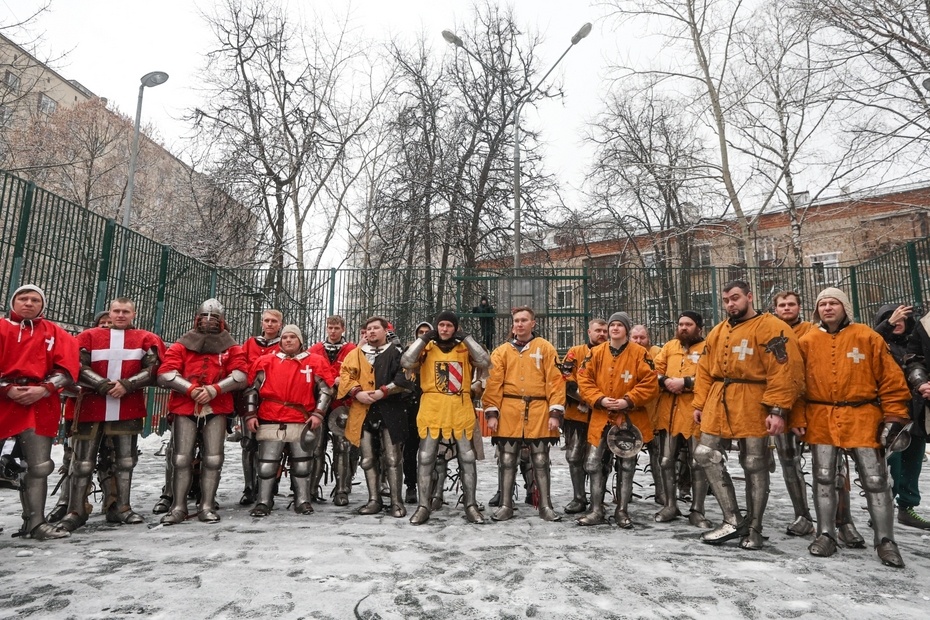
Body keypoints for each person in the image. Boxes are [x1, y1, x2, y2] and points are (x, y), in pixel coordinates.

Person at [793, 288, 910, 567]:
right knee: (823, 478)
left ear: (845, 306)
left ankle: (885, 540)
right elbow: (796, 385)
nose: (828, 308)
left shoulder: (867, 336)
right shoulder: (807, 341)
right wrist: (797, 417)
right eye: (822, 304)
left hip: (863, 416)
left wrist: (894, 415)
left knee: (876, 480)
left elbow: (891, 379)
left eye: (833, 303)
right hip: (821, 415)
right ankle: (825, 533)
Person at [691, 280, 803, 550]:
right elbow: (705, 370)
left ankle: (755, 526)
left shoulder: (772, 327)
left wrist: (777, 409)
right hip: (718, 399)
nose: (731, 304)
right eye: (727, 299)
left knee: (754, 462)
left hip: (755, 400)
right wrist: (699, 403)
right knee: (704, 453)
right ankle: (732, 519)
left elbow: (784, 370)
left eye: (736, 298)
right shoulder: (717, 332)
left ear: (749, 297)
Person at [55, 297, 165, 532]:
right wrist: (102, 384)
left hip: (128, 403)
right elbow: (77, 364)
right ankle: (76, 510)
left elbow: (154, 368)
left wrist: (127, 384)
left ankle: (121, 507)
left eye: (126, 311)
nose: (120, 315)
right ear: (110, 312)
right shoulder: (88, 337)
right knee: (82, 462)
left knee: (125, 461)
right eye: (116, 311)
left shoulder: (145, 339)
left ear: (133, 314)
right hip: (91, 404)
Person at [157, 298, 248, 524]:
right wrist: (191, 389)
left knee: (214, 458)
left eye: (214, 317)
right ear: (197, 319)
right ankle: (178, 506)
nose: (208, 321)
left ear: (222, 321)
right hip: (186, 405)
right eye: (205, 317)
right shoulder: (182, 344)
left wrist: (216, 389)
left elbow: (240, 374)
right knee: (180, 458)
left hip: (216, 406)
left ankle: (207, 504)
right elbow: (166, 372)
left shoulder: (231, 347)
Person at [0, 284, 79, 540]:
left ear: (42, 305)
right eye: (23, 298)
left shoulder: (55, 333)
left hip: (40, 402)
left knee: (39, 466)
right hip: (2, 400)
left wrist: (45, 388)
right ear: (14, 302)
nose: (29, 303)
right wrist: (6, 388)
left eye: (35, 299)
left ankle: (35, 523)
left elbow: (66, 368)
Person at [401, 311, 491, 525]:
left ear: (455, 328)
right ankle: (424, 505)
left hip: (459, 406)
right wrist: (423, 338)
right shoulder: (427, 348)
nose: (444, 329)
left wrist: (467, 338)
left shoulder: (463, 347)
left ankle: (470, 504)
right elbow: (406, 361)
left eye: (449, 325)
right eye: (441, 325)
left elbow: (484, 361)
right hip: (432, 406)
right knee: (425, 457)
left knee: (467, 458)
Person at [483, 306, 565, 522]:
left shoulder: (545, 348)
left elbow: (555, 383)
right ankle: (505, 505)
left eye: (524, 320)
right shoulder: (501, 352)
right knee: (507, 459)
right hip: (509, 410)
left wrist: (555, 413)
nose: (519, 324)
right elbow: (493, 384)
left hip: (538, 410)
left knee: (540, 459)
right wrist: (492, 412)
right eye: (516, 320)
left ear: (533, 323)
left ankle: (545, 505)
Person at [576, 312, 658, 527]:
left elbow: (650, 382)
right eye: (612, 325)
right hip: (601, 416)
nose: (614, 329)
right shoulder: (595, 353)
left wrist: (628, 400)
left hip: (628, 418)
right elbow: (583, 379)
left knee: (627, 464)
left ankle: (622, 510)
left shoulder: (640, 354)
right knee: (593, 463)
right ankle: (596, 509)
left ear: (626, 330)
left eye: (619, 325)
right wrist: (599, 399)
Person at [243, 324, 333, 517]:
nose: (288, 340)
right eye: (285, 338)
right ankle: (263, 501)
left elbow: (326, 390)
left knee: (302, 466)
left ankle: (302, 500)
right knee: (266, 466)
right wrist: (250, 415)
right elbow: (252, 390)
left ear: (300, 340)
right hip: (271, 418)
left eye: (293, 337)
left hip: (301, 419)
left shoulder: (315, 361)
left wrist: (318, 413)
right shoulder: (265, 361)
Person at [337, 316, 414, 517]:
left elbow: (405, 377)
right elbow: (346, 375)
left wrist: (384, 391)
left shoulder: (397, 353)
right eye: (368, 329)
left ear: (385, 330)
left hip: (391, 410)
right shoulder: (355, 354)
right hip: (363, 411)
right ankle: (373, 500)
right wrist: (356, 392)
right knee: (368, 459)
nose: (371, 332)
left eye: (375, 328)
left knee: (393, 458)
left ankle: (397, 502)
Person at [653, 311, 711, 527]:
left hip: (696, 410)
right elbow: (654, 371)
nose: (683, 328)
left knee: (697, 463)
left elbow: (712, 376)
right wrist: (666, 381)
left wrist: (686, 382)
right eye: (680, 324)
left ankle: (698, 510)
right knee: (666, 460)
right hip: (669, 410)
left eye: (688, 324)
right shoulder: (669, 347)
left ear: (699, 328)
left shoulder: (707, 348)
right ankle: (670, 505)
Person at [877, 303, 930, 529]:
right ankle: (881, 507)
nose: (898, 322)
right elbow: (870, 338)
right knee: (891, 464)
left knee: (913, 462)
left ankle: (907, 507)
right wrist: (886, 325)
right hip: (890, 414)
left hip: (915, 410)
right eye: (891, 319)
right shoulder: (878, 344)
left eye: (901, 319)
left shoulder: (913, 344)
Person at [771, 291, 816, 536]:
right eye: (782, 305)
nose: (786, 308)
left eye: (791, 304)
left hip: (813, 404)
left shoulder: (811, 331)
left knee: (830, 466)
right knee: (789, 462)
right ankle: (803, 514)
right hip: (780, 405)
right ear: (775, 309)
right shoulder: (770, 331)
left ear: (799, 307)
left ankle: (842, 521)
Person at [559, 318, 608, 514]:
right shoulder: (576, 352)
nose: (602, 334)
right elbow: (566, 378)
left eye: (605, 331)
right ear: (589, 332)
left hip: (604, 415)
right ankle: (579, 497)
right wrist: (586, 399)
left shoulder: (614, 355)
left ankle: (599, 499)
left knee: (601, 459)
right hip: (577, 415)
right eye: (598, 330)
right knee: (574, 456)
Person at [308, 315, 358, 506]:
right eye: (330, 327)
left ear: (343, 329)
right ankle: (311, 488)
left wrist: (342, 382)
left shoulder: (352, 351)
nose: (333, 331)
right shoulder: (315, 350)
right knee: (316, 448)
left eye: (336, 328)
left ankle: (341, 490)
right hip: (319, 405)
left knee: (342, 448)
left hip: (342, 405)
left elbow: (358, 374)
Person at [237, 309, 282, 506]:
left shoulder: (284, 344)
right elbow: (241, 365)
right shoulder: (249, 344)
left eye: (274, 321)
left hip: (273, 400)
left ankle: (269, 483)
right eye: (266, 321)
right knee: (249, 444)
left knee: (271, 445)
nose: (270, 324)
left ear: (279, 324)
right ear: (262, 323)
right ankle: (248, 487)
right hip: (249, 398)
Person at [630, 324, 664, 507]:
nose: (638, 341)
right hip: (632, 412)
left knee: (658, 454)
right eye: (634, 337)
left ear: (648, 337)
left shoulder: (657, 352)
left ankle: (662, 493)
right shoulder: (625, 353)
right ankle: (624, 493)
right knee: (627, 454)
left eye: (642, 337)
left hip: (654, 412)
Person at [401, 321, 432, 505]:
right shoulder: (408, 354)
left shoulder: (437, 352)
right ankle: (411, 485)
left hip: (432, 407)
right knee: (410, 450)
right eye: (420, 332)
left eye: (427, 332)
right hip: (411, 408)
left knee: (431, 451)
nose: (424, 335)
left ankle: (431, 486)